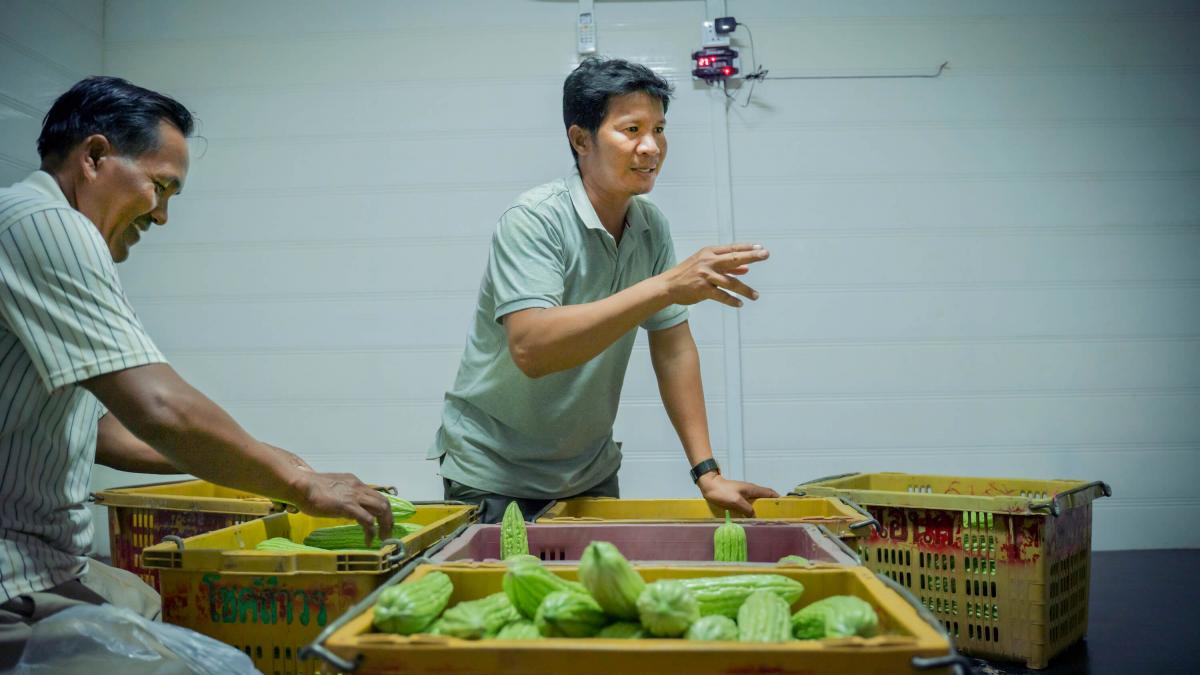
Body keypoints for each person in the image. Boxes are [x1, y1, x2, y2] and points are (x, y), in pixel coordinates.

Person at [0, 76, 393, 667]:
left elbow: (99, 429)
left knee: (149, 606)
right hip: (15, 578)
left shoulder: (49, 233)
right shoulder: (45, 224)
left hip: (56, 562)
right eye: (160, 187)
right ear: (96, 157)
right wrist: (298, 485)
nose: (160, 216)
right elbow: (159, 409)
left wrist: (266, 461)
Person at [428, 58, 779, 524]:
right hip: (493, 472)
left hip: (588, 473)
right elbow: (532, 348)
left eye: (659, 128)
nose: (651, 147)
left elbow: (673, 349)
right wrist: (665, 286)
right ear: (580, 139)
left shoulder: (650, 225)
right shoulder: (535, 219)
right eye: (631, 129)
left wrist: (707, 472)